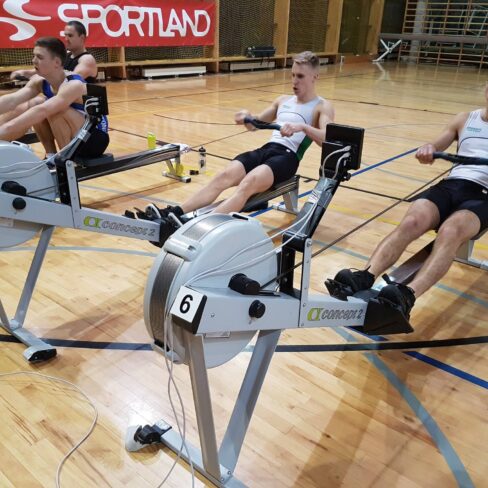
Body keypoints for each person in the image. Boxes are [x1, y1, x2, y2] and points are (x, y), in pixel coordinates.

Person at [330, 90, 488, 318]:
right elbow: (435, 145)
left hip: (483, 195)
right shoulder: (465, 119)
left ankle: (408, 295)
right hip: (451, 185)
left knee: (450, 232)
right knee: (412, 221)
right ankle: (365, 275)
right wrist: (428, 149)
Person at [150, 51, 334, 220]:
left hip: (287, 157)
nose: (294, 81)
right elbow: (256, 124)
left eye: (300, 76)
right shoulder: (283, 100)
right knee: (223, 176)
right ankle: (173, 213)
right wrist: (247, 117)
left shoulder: (321, 106)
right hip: (267, 150)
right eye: (292, 75)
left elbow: (327, 139)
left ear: (315, 77)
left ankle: (199, 225)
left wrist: (303, 127)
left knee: (247, 184)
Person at [0, 37, 108, 158]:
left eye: (40, 57)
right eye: (34, 56)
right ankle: (50, 155)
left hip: (94, 138)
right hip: (75, 131)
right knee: (35, 103)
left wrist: (6, 129)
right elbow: (12, 100)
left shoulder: (73, 84)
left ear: (56, 62)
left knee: (53, 109)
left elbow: (42, 111)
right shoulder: (39, 81)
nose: (34, 60)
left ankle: (65, 161)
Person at [10, 21, 97, 83]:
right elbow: (44, 70)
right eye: (65, 35)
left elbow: (69, 80)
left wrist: (34, 79)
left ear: (82, 38)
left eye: (70, 36)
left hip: (81, 103)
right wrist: (22, 73)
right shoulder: (66, 55)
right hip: (64, 100)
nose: (66, 39)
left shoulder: (87, 60)